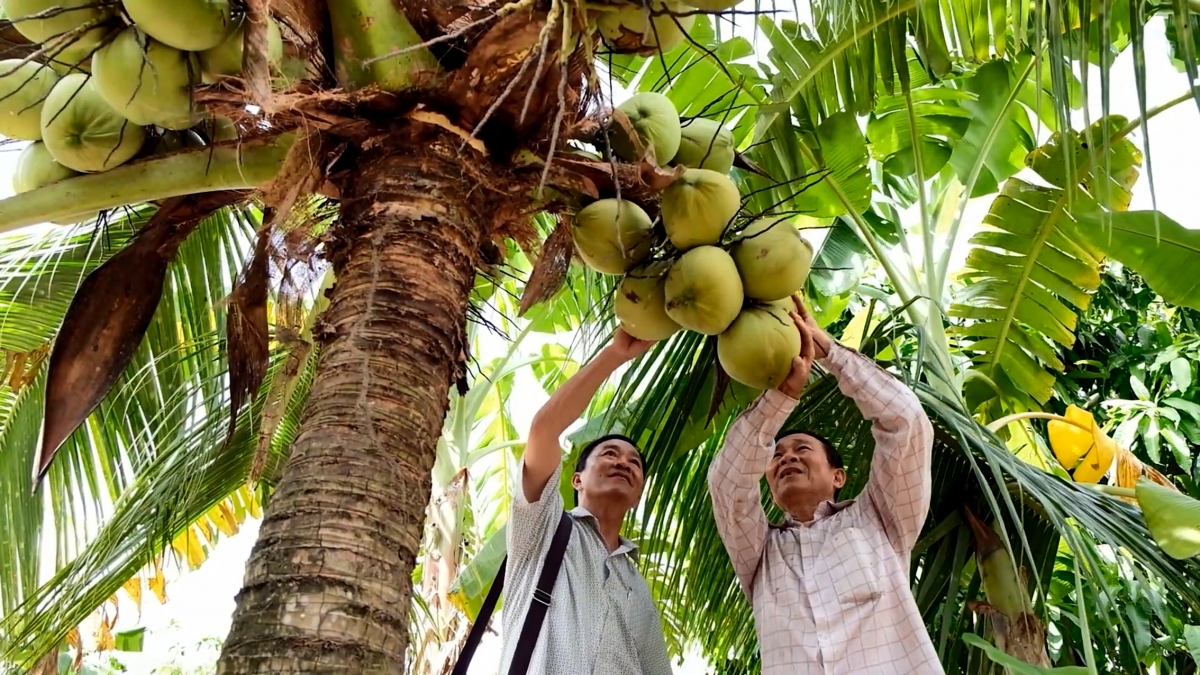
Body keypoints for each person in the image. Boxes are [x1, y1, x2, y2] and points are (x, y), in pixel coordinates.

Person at [708, 295, 940, 674]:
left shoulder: (880, 520)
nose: (786, 458)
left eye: (802, 449)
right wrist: (780, 399)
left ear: (838, 476)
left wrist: (829, 351)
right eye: (776, 456)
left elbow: (907, 421)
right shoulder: (761, 554)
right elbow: (726, 482)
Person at [501, 327, 673, 675]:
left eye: (634, 463)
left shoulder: (637, 585)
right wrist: (616, 354)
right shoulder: (543, 528)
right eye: (610, 454)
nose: (623, 463)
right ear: (576, 479)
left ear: (638, 495)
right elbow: (544, 430)